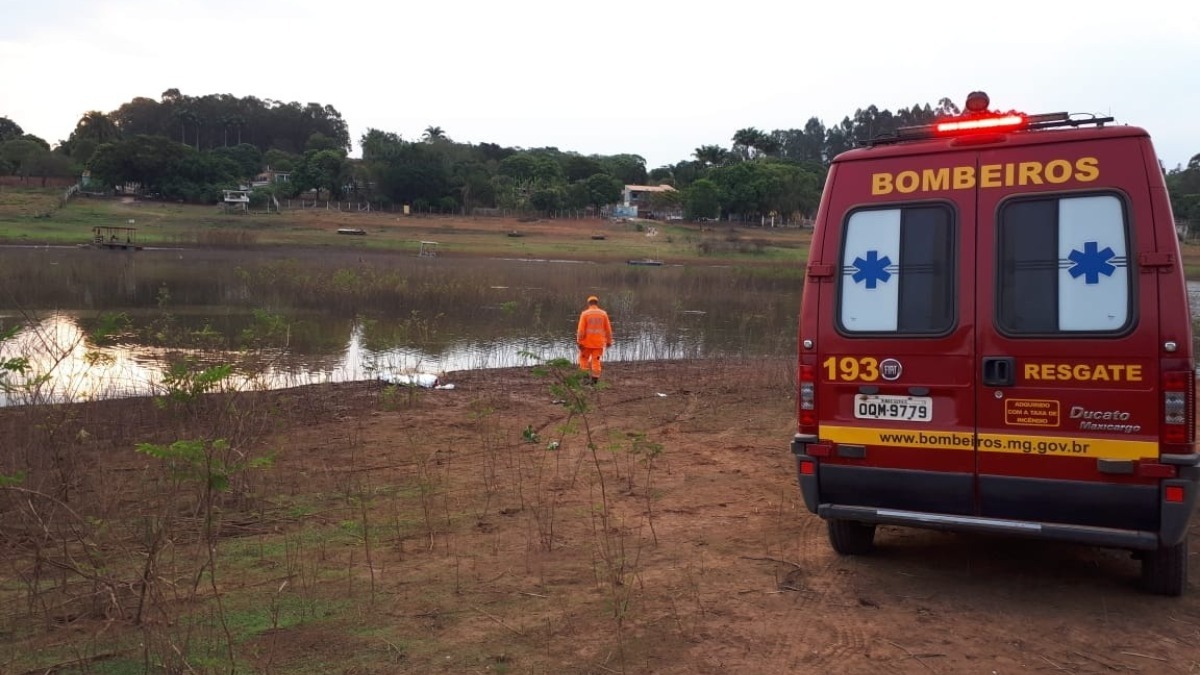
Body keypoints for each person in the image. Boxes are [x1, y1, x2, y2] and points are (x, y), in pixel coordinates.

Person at [576, 295, 613, 384]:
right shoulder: (603, 314)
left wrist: (579, 342)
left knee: (583, 360)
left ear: (589, 303)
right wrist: (609, 341)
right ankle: (595, 380)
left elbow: (581, 330)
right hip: (599, 343)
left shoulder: (585, 314)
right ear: (597, 303)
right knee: (596, 361)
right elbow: (608, 329)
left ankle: (585, 380)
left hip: (586, 343)